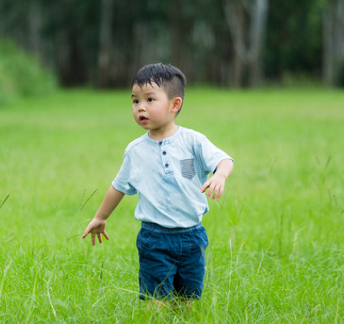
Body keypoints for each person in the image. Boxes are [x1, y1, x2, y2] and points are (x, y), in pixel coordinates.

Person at [82, 63, 234, 308]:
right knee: (156, 303)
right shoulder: (135, 150)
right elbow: (118, 187)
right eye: (135, 101)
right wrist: (100, 217)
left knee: (188, 300)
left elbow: (224, 160)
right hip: (155, 238)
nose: (140, 107)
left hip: (193, 236)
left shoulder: (192, 141)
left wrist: (220, 175)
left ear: (175, 104)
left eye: (150, 99)